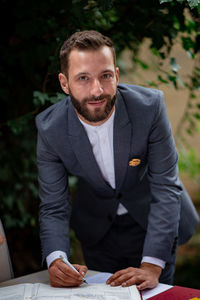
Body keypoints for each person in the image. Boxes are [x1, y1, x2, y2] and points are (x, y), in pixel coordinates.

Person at [36, 30, 199, 290]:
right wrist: (56, 259)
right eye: (83, 79)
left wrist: (151, 266)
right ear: (64, 84)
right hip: (98, 229)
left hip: (154, 223)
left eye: (105, 76)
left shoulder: (149, 108)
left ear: (117, 75)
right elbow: (54, 205)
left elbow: (165, 187)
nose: (97, 90)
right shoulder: (50, 129)